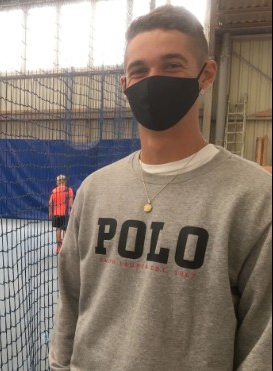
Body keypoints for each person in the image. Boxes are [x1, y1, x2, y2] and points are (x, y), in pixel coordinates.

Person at [49, 5, 271, 371]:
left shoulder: (255, 197)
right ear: (125, 85)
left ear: (206, 74)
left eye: (172, 65)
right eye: (139, 70)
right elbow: (70, 303)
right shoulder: (94, 190)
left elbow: (263, 343)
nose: (154, 80)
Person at [48, 174, 74, 254]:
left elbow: (49, 203)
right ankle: (64, 248)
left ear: (57, 182)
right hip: (66, 214)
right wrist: (73, 211)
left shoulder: (54, 190)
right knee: (65, 229)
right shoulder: (69, 190)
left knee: (58, 229)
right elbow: (71, 203)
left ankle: (58, 248)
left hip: (56, 214)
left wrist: (50, 212)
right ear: (65, 181)